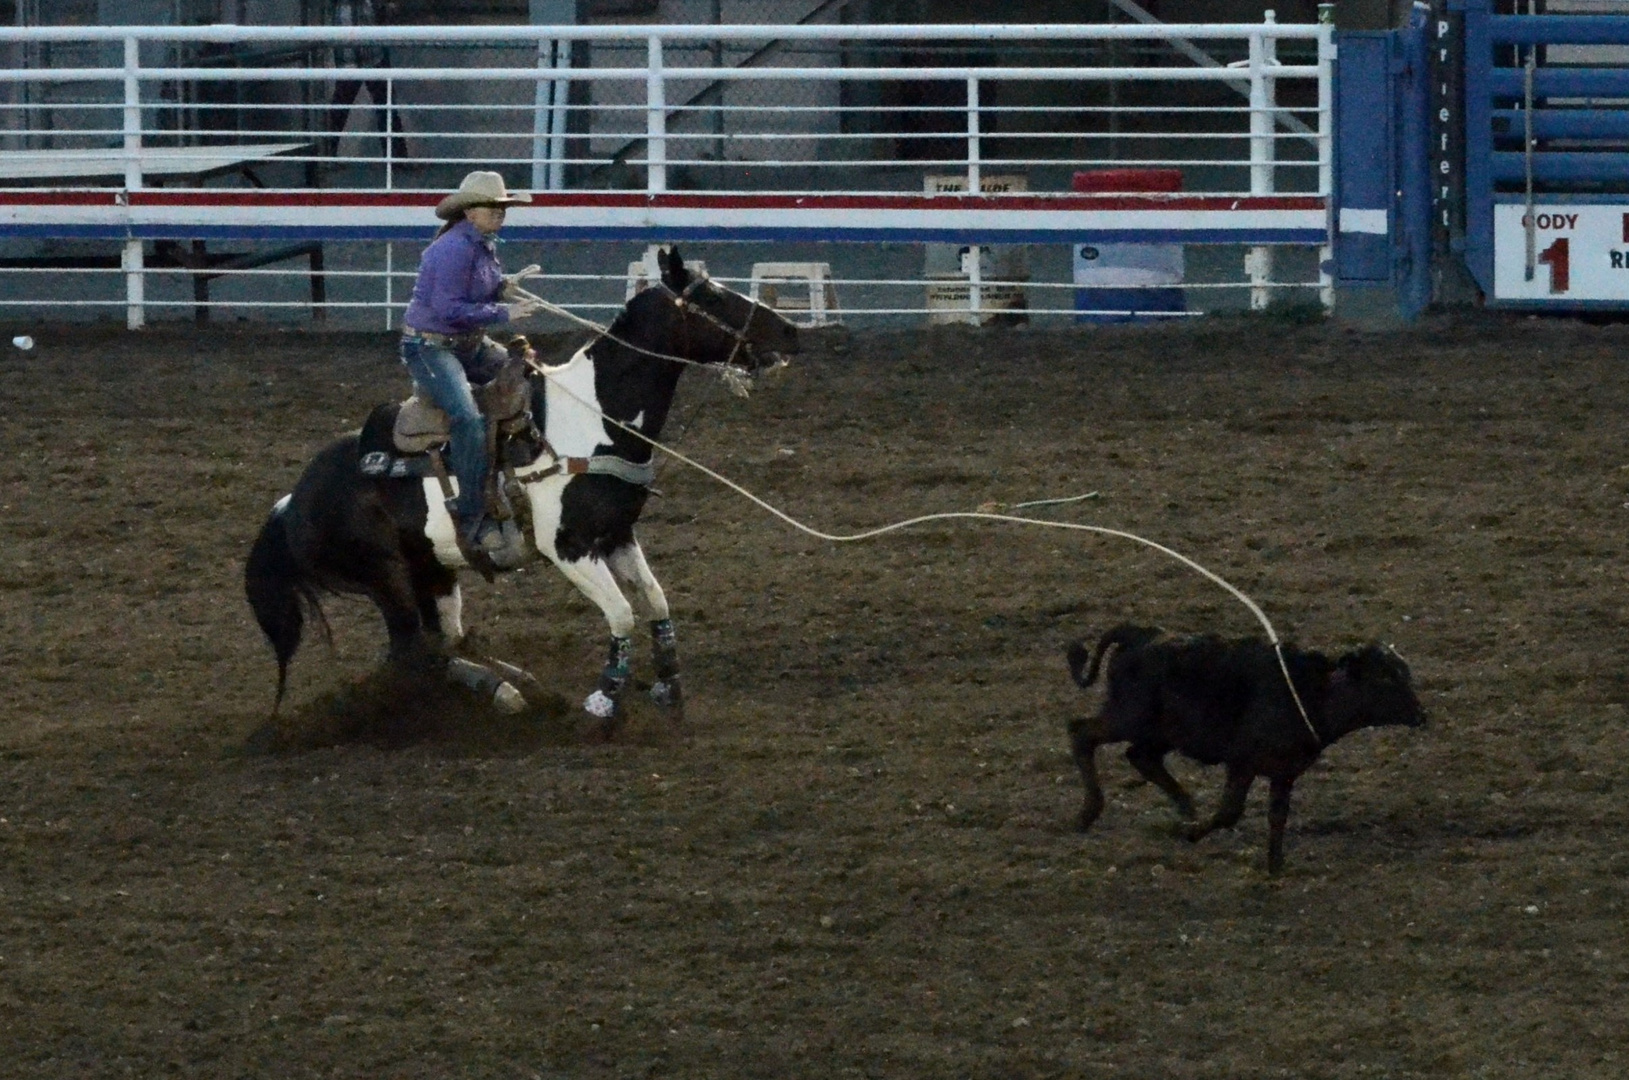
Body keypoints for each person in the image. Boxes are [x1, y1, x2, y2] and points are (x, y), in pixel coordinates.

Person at [400, 170, 543, 568]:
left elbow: (474, 291)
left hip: (467, 344)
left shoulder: (482, 243)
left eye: (502, 208)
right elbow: (447, 309)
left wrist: (503, 287)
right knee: (466, 417)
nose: (500, 214)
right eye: (492, 208)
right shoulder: (453, 249)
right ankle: (471, 513)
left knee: (530, 374)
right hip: (429, 347)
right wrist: (503, 310)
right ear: (470, 212)